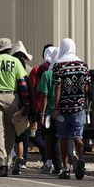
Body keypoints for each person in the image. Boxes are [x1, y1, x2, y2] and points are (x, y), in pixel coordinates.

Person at [0, 38, 32, 177]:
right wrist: (26, 103)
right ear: (9, 49)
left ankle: (1, 165)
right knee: (10, 133)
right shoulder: (15, 62)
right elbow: (22, 83)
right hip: (11, 97)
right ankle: (7, 161)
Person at [52, 38, 91, 180]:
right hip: (78, 107)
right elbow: (87, 87)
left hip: (63, 108)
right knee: (77, 137)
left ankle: (66, 168)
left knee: (63, 138)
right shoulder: (84, 66)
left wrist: (56, 107)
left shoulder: (59, 65)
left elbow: (57, 86)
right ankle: (80, 157)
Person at [10, 40, 35, 174]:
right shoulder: (29, 69)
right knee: (23, 134)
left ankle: (13, 157)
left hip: (12, 101)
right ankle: (22, 159)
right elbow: (30, 89)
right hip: (24, 104)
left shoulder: (10, 67)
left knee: (10, 132)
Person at [37, 45, 61, 175]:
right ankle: (65, 163)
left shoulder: (47, 74)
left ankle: (51, 163)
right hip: (63, 110)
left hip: (49, 112)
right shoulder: (63, 73)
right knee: (62, 137)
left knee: (49, 137)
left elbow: (44, 95)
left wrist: (42, 112)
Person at [30, 43, 54, 170]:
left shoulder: (38, 69)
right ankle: (50, 159)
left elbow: (34, 88)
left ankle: (47, 157)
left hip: (40, 106)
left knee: (36, 134)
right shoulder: (58, 68)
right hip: (55, 107)